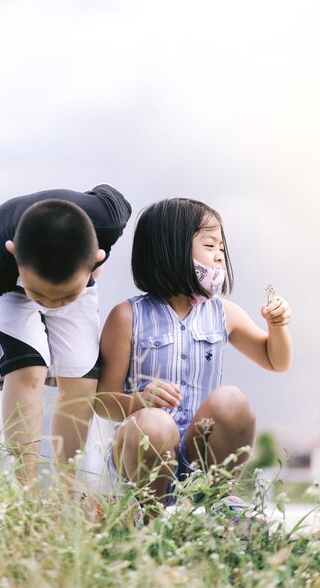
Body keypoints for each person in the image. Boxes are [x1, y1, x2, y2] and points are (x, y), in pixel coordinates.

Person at [0, 184, 132, 486]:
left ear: (97, 256)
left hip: (73, 268)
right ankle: (25, 492)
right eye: (39, 295)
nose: (49, 305)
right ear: (13, 252)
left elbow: (111, 193)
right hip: (9, 287)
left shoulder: (106, 219)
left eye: (62, 298)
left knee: (82, 376)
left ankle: (65, 489)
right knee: (29, 368)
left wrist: (86, 276)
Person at [96, 197, 291, 512]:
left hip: (199, 452)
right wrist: (139, 401)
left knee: (233, 401)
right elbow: (102, 401)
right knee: (154, 423)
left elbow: (275, 360)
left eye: (222, 250)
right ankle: (151, 513)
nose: (218, 258)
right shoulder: (127, 317)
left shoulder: (224, 313)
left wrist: (277, 325)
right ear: (170, 249)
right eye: (210, 246)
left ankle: (216, 501)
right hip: (144, 453)